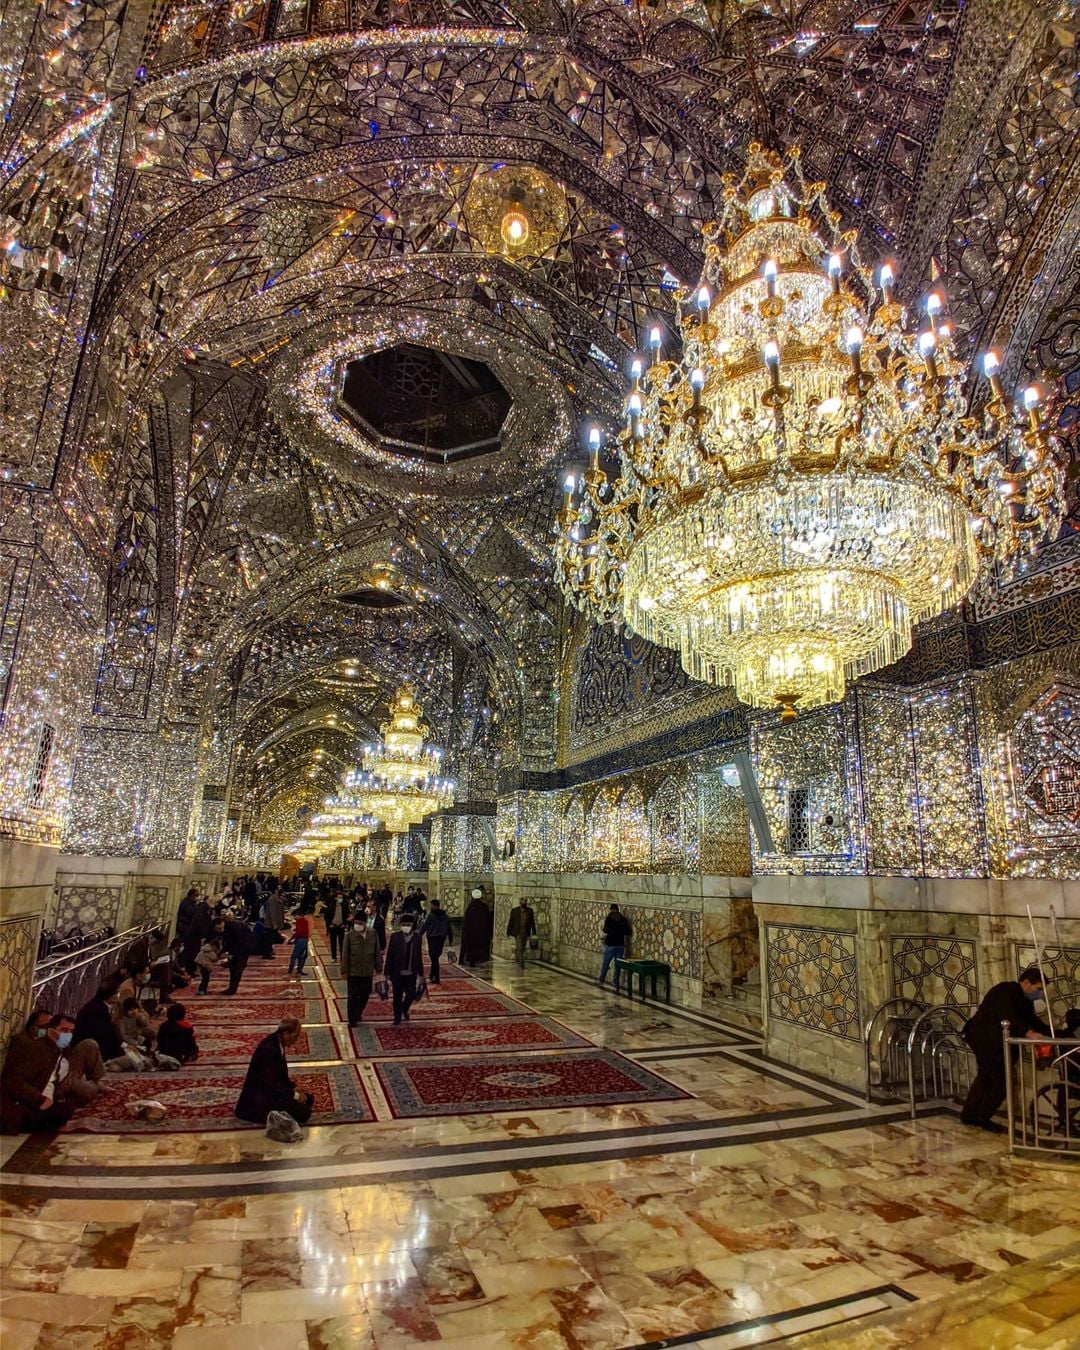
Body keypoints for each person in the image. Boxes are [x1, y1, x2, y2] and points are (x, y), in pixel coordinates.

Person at [961, 966, 1052, 1132]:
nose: (1040, 994)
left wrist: (1053, 1033)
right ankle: (982, 1117)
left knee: (985, 1078)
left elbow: (1031, 1020)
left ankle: (969, 1115)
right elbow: (1008, 1015)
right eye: (1038, 989)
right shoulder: (1005, 991)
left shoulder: (1025, 1000)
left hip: (993, 1044)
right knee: (1000, 1083)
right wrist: (1028, 1033)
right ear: (1026, 983)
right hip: (985, 1041)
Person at [1, 1012, 105, 1132]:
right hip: (57, 1083)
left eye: (71, 1032)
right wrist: (40, 1099)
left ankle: (96, 1080)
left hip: (64, 1070)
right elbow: (14, 1080)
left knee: (90, 1044)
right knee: (87, 1093)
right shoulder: (30, 1046)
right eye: (64, 1030)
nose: (68, 1035)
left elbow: (62, 1056)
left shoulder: (57, 1044)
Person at [234, 1017, 314, 1126]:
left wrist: (293, 1088)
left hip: (274, 1091)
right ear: (286, 1034)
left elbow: (280, 1076)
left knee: (308, 1098)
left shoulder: (276, 1043)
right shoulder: (269, 1050)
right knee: (304, 1112)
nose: (296, 1041)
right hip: (260, 1100)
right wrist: (294, 1095)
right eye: (295, 1036)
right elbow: (270, 1086)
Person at [340, 909, 381, 1026]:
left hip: (367, 971)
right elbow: (345, 954)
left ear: (365, 923)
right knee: (352, 996)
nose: (357, 925)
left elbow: (377, 952)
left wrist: (379, 968)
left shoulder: (373, 934)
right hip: (353, 971)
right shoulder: (349, 936)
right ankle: (352, 1020)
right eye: (356, 923)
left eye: (360, 923)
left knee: (364, 995)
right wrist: (344, 970)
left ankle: (358, 1013)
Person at [385, 913, 423, 1025]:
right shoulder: (395, 937)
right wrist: (387, 971)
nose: (406, 926)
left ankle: (404, 1009)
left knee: (411, 994)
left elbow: (418, 956)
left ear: (412, 925)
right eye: (404, 924)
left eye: (408, 924)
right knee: (397, 996)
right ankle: (397, 1017)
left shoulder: (417, 938)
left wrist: (420, 973)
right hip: (397, 972)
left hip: (411, 972)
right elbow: (390, 955)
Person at [73, 982, 125, 1061]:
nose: (118, 995)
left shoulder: (100, 1005)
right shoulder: (98, 1009)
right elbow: (105, 1032)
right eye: (117, 993)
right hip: (93, 1045)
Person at [598, 903, 632, 987]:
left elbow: (605, 930)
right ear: (618, 909)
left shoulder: (609, 918)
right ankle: (615, 982)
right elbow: (627, 932)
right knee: (617, 965)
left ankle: (601, 980)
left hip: (610, 944)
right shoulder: (623, 919)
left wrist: (611, 932)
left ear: (611, 909)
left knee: (606, 963)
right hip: (620, 945)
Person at [422, 898, 453, 984]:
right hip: (441, 939)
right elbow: (449, 929)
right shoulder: (445, 917)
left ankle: (436, 977)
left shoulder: (431, 916)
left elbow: (425, 927)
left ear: (435, 906)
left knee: (434, 958)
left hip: (432, 939)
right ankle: (433, 975)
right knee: (435, 957)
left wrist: (418, 936)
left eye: (432, 905)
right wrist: (450, 940)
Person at [222, 915, 256, 996]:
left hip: (244, 947)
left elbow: (237, 941)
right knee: (233, 967)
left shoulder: (233, 928)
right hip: (241, 946)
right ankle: (231, 988)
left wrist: (231, 953)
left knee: (237, 968)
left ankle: (233, 989)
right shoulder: (228, 928)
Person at [459, 887, 494, 966]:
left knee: (471, 948)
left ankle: (471, 961)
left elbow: (466, 922)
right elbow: (488, 922)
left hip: (471, 933)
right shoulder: (484, 907)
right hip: (481, 933)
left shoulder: (470, 908)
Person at [506, 897, 537, 969]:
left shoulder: (530, 911)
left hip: (525, 932)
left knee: (522, 948)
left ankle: (518, 958)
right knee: (519, 947)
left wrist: (534, 932)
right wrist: (508, 931)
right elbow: (511, 921)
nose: (524, 903)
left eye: (525, 901)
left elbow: (532, 922)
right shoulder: (515, 911)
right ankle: (521, 963)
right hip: (517, 932)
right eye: (523, 901)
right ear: (520, 902)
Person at [325, 890, 349, 962]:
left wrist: (345, 924)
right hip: (333, 926)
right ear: (335, 898)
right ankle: (333, 957)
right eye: (339, 897)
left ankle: (342, 957)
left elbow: (347, 915)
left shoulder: (345, 905)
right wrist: (330, 925)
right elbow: (327, 916)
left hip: (341, 926)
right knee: (333, 942)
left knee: (342, 943)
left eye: (341, 897)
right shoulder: (331, 905)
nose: (340, 899)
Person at [288, 911, 311, 976]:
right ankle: (299, 971)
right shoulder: (304, 921)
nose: (294, 918)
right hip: (305, 940)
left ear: (298, 915)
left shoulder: (299, 921)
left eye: (294, 916)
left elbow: (299, 932)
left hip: (301, 940)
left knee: (294, 956)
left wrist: (291, 939)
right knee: (301, 957)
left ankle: (290, 971)